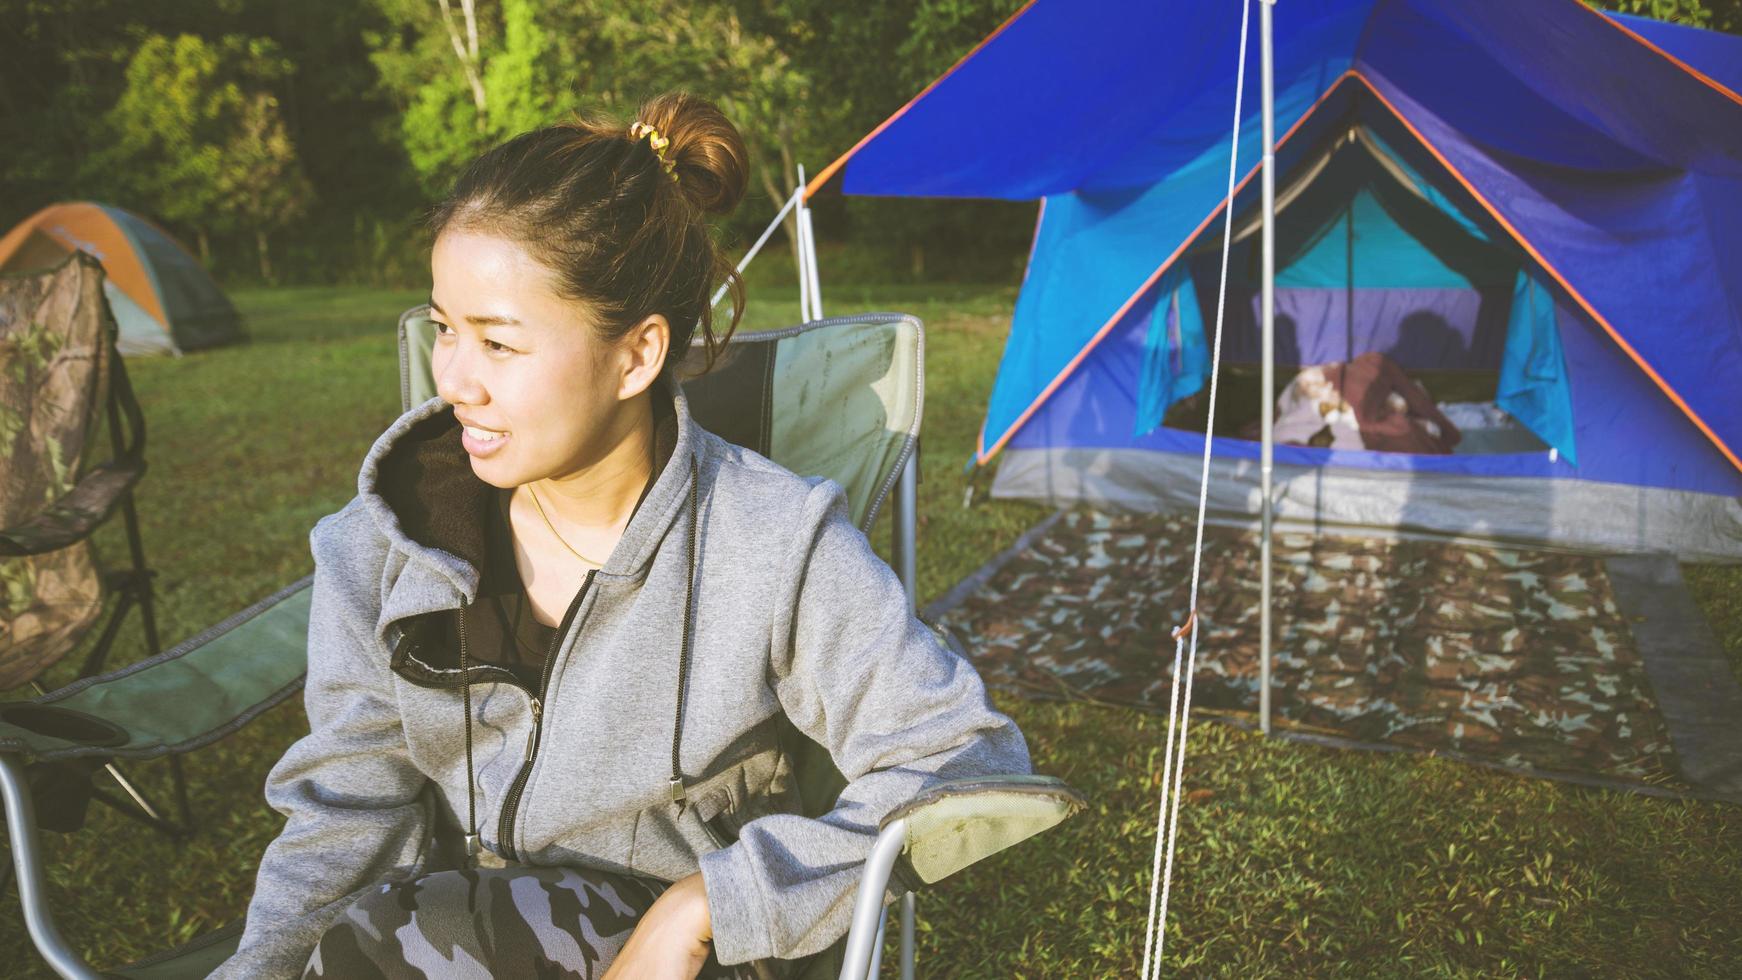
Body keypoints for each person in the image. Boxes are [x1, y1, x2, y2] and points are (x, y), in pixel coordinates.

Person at [210, 92, 1032, 979]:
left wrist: (708, 904)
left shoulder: (774, 544)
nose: (454, 380)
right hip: (450, 935)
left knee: (398, 942)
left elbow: (966, 757)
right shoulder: (383, 548)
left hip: (686, 958)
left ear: (637, 355)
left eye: (498, 344)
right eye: (445, 330)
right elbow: (346, 813)